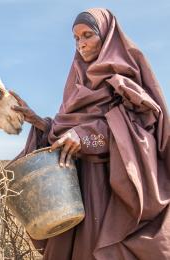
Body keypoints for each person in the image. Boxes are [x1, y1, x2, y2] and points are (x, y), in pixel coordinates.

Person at [10, 8, 170, 260]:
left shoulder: (124, 73)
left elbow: (140, 126)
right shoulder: (76, 80)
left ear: (106, 36)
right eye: (76, 38)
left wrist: (84, 135)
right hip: (76, 186)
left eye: (88, 35)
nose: (81, 44)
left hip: (111, 187)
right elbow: (68, 127)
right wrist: (41, 123)